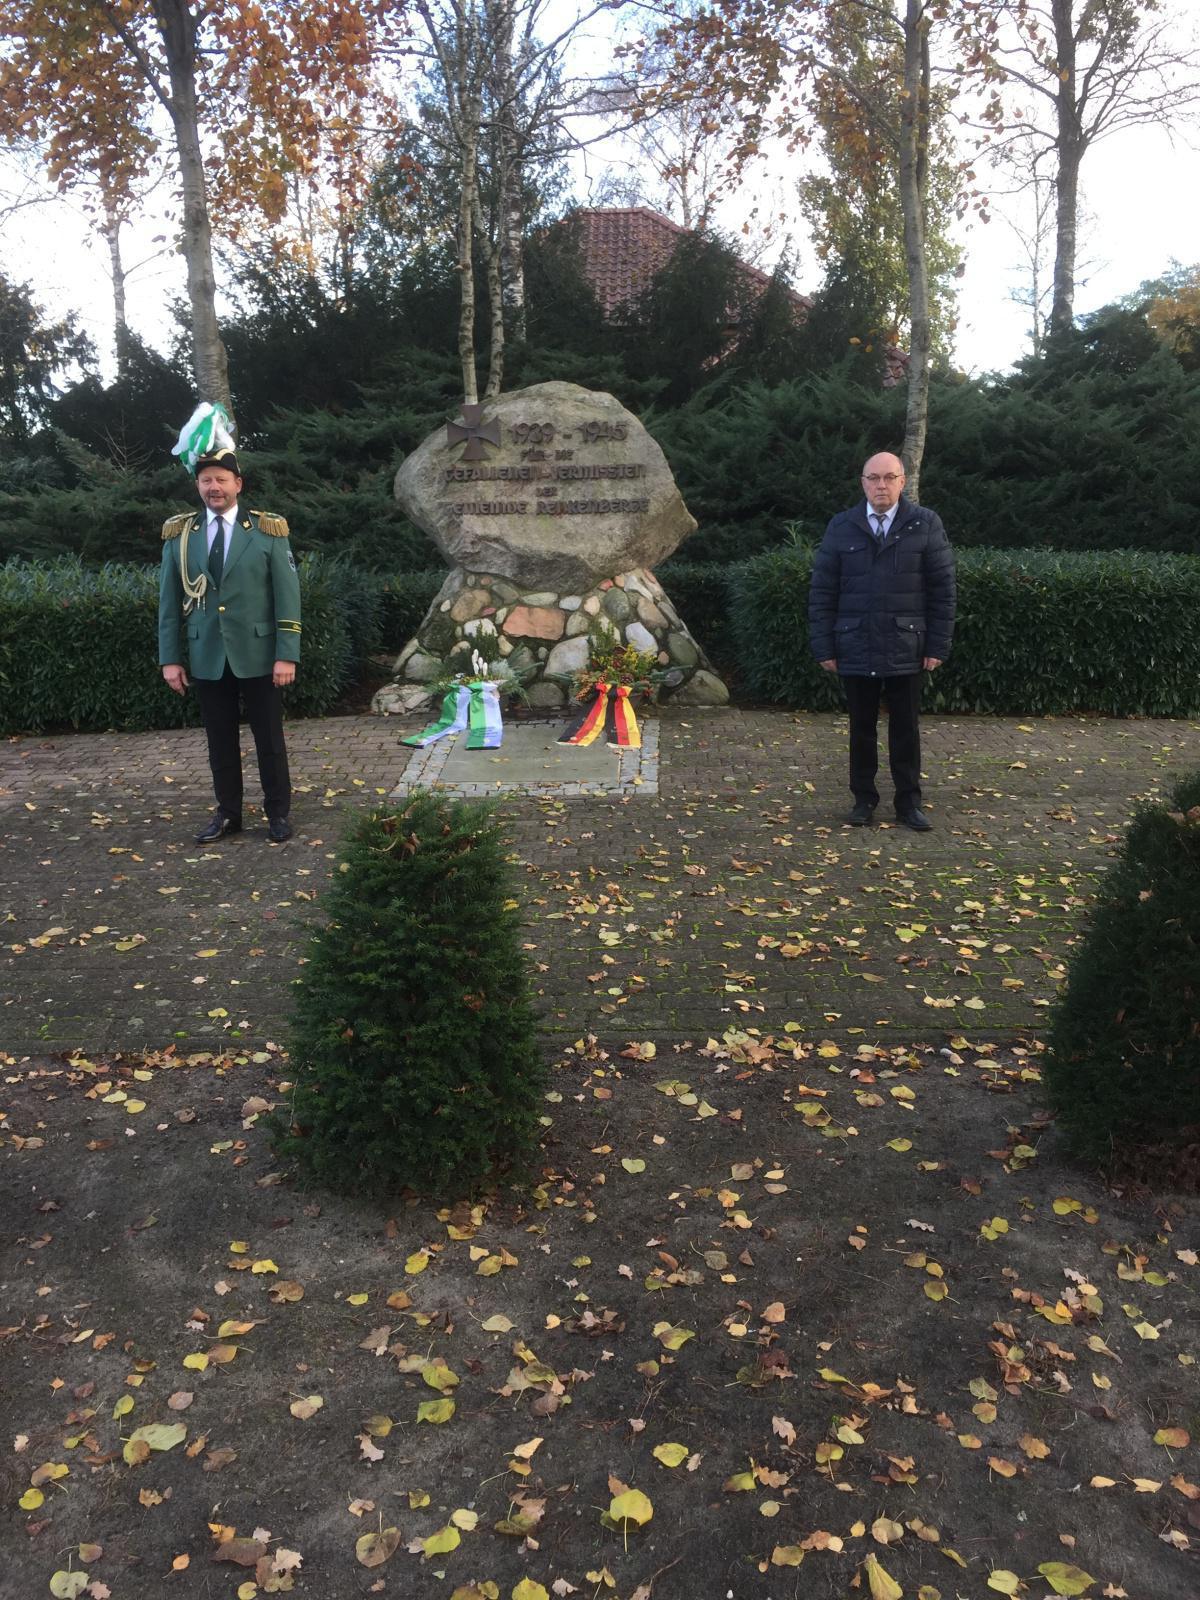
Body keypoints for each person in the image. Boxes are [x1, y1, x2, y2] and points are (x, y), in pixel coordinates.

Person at [158, 446, 302, 844]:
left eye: (221, 479)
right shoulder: (181, 536)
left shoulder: (268, 531)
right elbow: (168, 603)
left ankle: (277, 813)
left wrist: (286, 654)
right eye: (206, 480)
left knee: (269, 740)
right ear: (197, 486)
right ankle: (228, 814)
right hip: (207, 654)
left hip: (259, 654)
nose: (214, 487)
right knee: (219, 741)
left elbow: (287, 596)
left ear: (238, 483)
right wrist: (170, 659)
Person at [808, 451, 955, 831]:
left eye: (889, 477)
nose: (881, 485)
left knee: (905, 730)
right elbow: (822, 591)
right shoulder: (841, 526)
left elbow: (942, 591)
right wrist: (824, 646)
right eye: (873, 478)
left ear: (902, 482)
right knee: (861, 729)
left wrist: (937, 645)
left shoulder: (926, 524)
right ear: (863, 483)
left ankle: (909, 803)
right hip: (855, 644)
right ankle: (863, 800)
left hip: (907, 646)